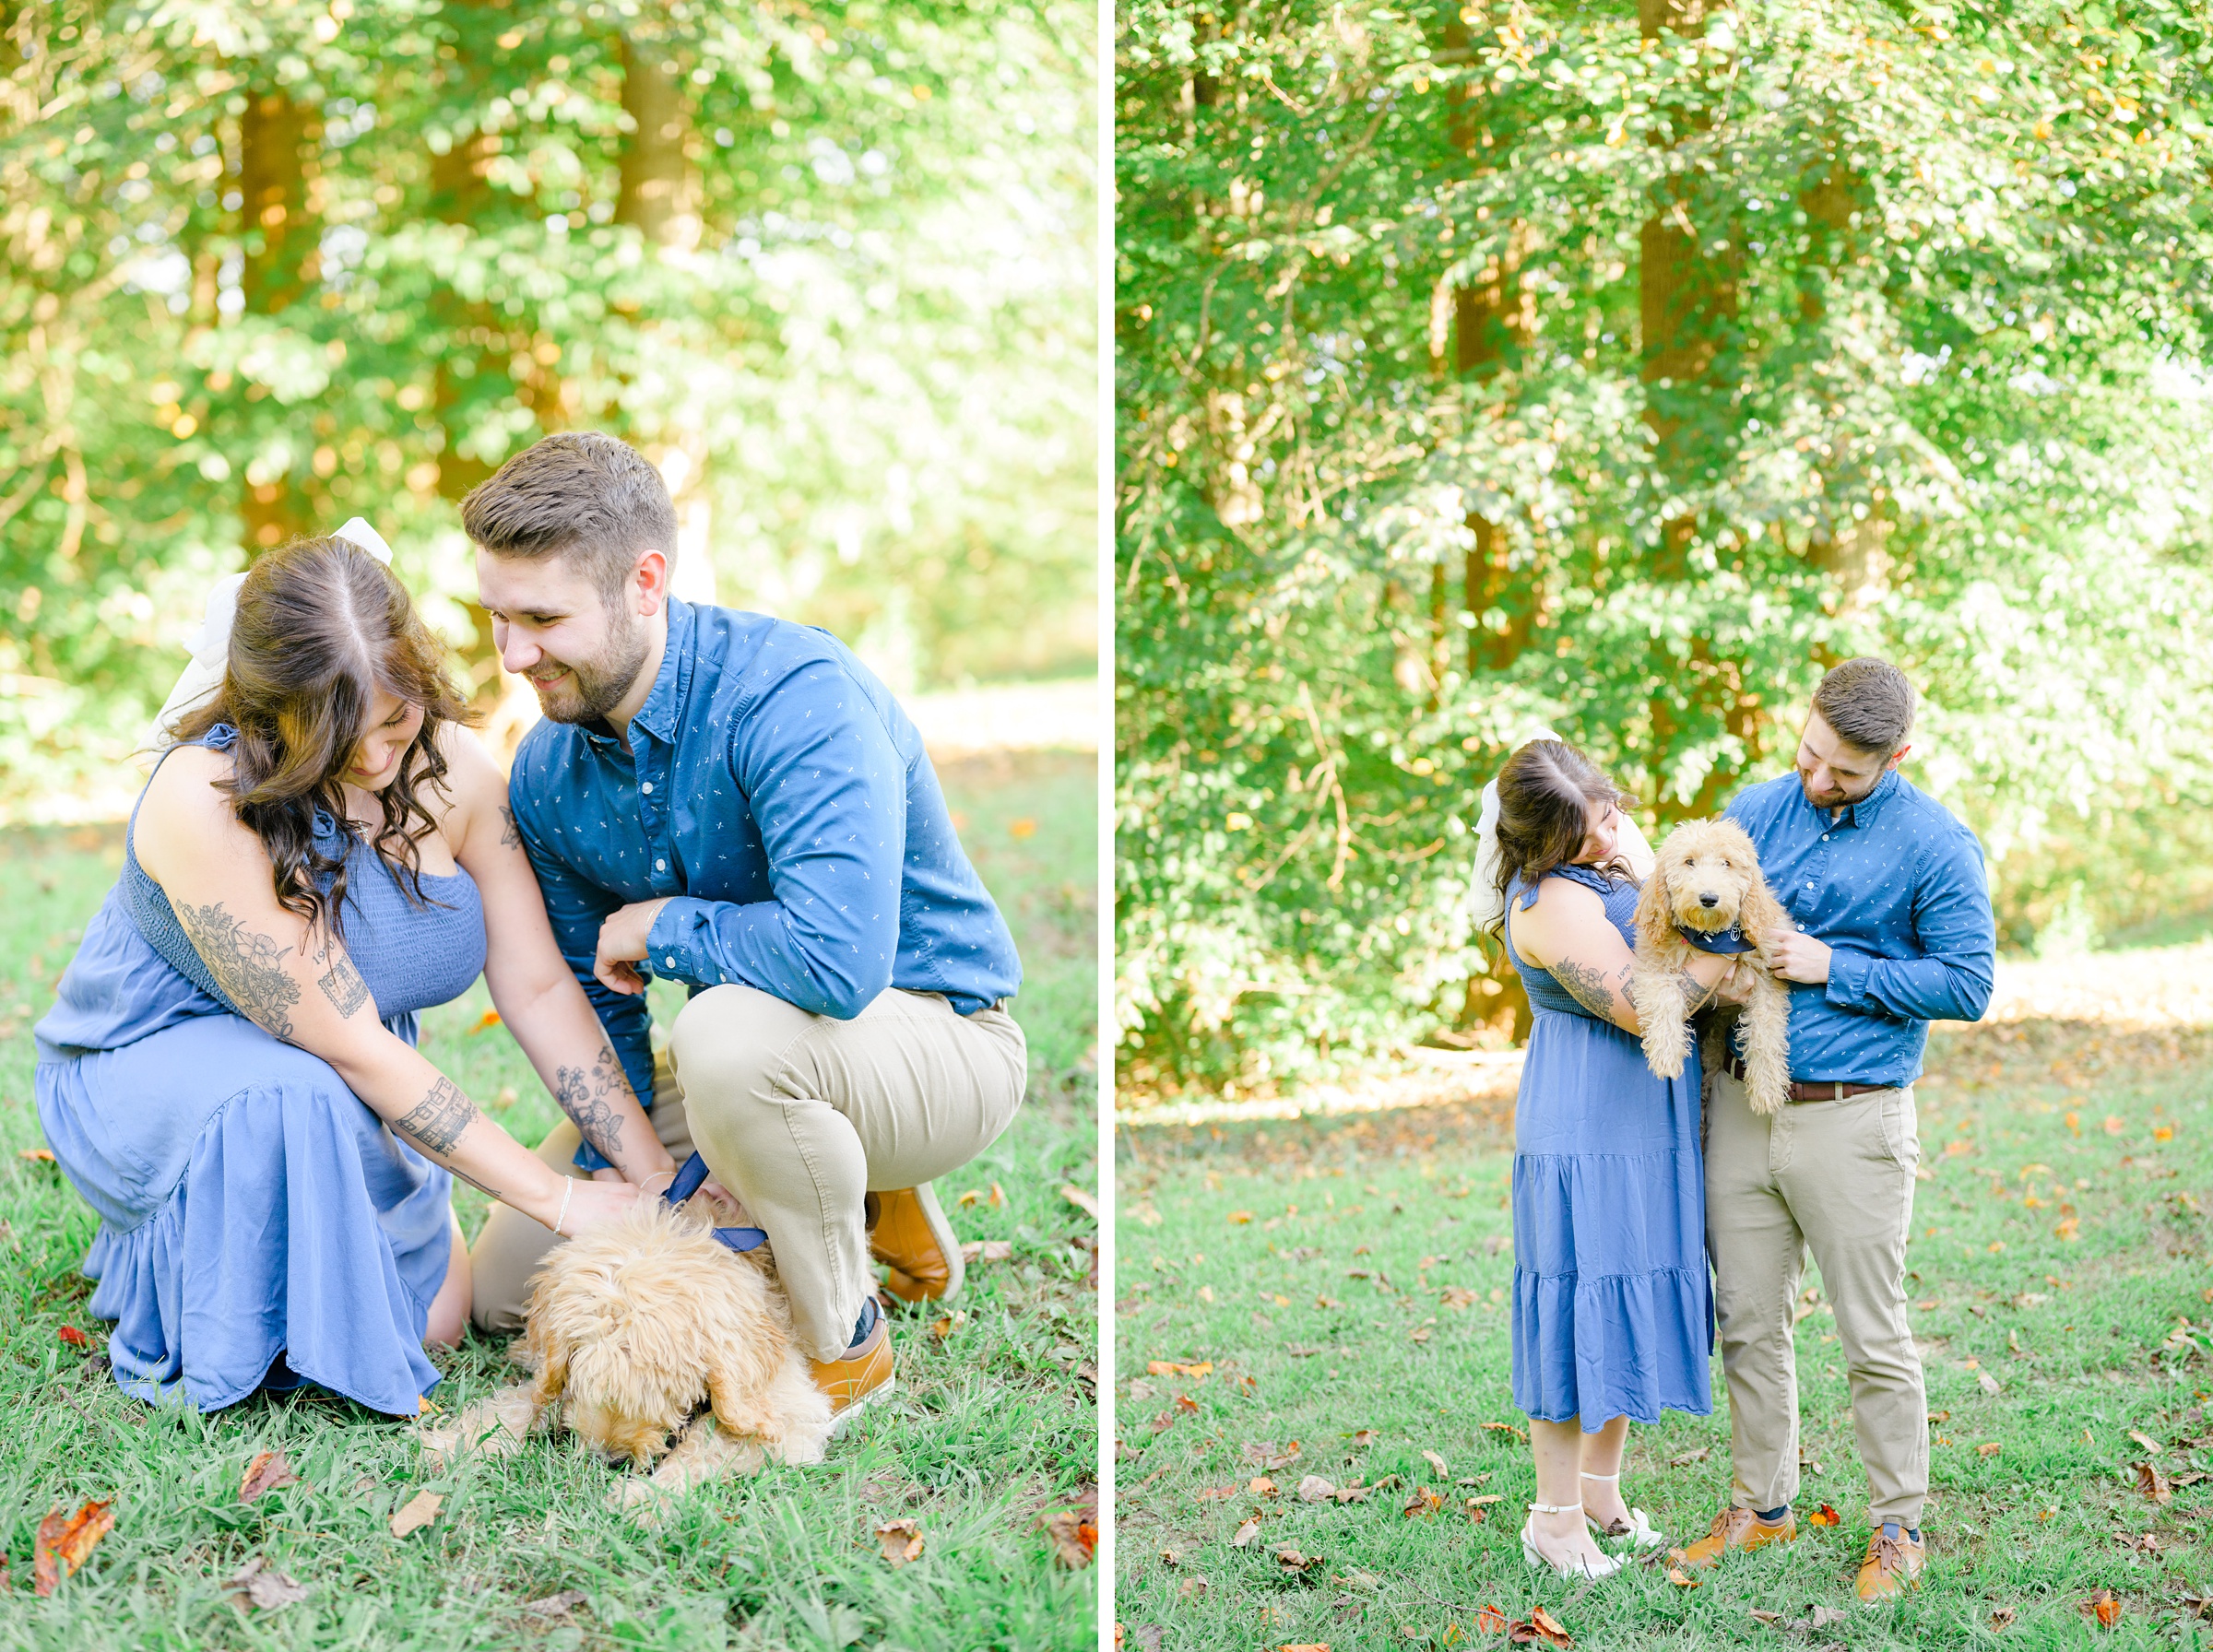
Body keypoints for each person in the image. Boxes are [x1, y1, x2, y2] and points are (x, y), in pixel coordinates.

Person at [459, 433, 1027, 1422]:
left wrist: (664, 923)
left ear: (646, 582)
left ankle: (844, 1343)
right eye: (497, 618)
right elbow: (598, 1001)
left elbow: (836, 962)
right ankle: (830, 1187)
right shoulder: (550, 771)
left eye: (543, 618)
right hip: (773, 1058)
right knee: (504, 1292)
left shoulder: (794, 696)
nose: (513, 657)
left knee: (719, 1034)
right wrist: (648, 1180)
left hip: (943, 1035)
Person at [32, 525, 657, 1415]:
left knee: (436, 1321)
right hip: (163, 1056)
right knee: (289, 1093)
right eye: (331, 739)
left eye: (396, 721)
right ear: (265, 715)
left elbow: (538, 984)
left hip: (345, 1073)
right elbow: (351, 1044)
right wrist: (561, 1202)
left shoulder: (456, 774)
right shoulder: (202, 798)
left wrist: (648, 1178)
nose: (371, 760)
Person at [1677, 657, 1994, 1601]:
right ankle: (1760, 1508)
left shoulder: (1936, 843)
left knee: (1872, 1334)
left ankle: (1897, 1525)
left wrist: (1833, 965)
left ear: (1897, 755)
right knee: (1748, 1322)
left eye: (1845, 773)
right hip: (1740, 1102)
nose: (1818, 780)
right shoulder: (1753, 810)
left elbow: (1968, 984)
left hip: (1853, 1117)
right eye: (1811, 754)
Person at [1485, 738, 1745, 1578]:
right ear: (1537, 845)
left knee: (1624, 1291)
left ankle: (1601, 1495)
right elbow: (1643, 1004)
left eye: (1606, 816)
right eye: (1582, 836)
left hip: (1646, 1117)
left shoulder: (1614, 852)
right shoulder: (1547, 902)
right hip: (1587, 1121)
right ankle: (1553, 1523)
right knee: (1578, 1305)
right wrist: (1725, 954)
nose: (1606, 839)